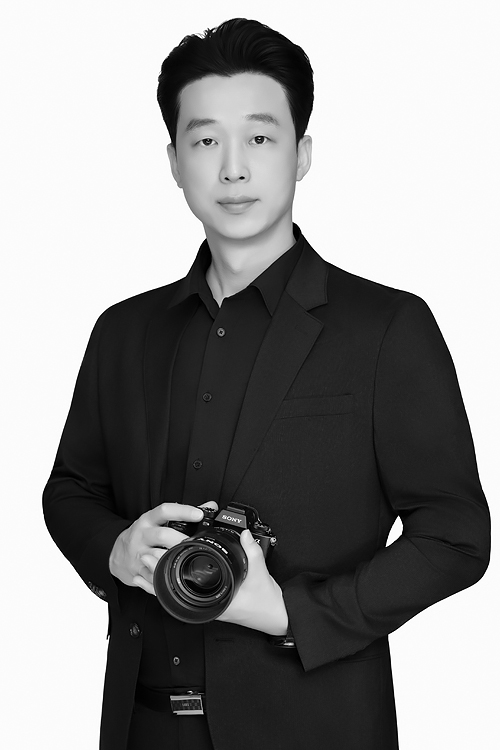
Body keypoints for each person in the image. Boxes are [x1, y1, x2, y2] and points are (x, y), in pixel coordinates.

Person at [43, 17, 490, 750]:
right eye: (205, 141)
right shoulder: (122, 330)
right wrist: (115, 547)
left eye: (259, 137)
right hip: (141, 727)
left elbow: (456, 535)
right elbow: (71, 489)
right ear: (174, 161)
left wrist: (291, 613)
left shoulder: (387, 328)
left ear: (301, 154)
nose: (233, 170)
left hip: (314, 728)